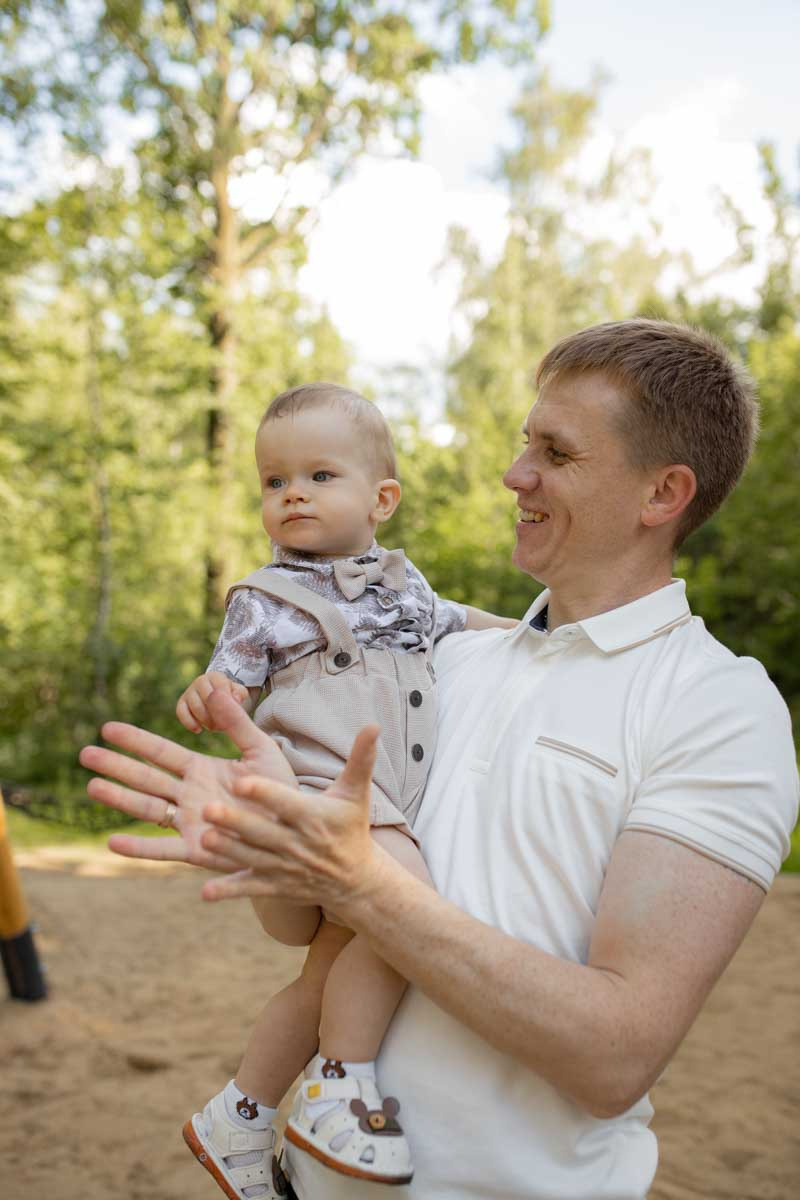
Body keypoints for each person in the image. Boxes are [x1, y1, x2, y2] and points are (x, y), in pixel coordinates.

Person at [81, 319, 799, 1200]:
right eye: (523, 442)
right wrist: (270, 828)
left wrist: (362, 884)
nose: (515, 473)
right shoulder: (433, 665)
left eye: (555, 452)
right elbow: (300, 929)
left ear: (663, 494)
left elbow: (616, 1055)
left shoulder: (717, 704)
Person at [173, 382, 516, 1197]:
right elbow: (231, 682)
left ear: (381, 498)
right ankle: (339, 1085)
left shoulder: (407, 588)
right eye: (274, 480)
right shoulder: (265, 598)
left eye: (320, 475)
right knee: (409, 910)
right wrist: (208, 697)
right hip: (323, 791)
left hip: (388, 799)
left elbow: (464, 621)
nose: (292, 492)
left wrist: (537, 634)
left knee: (329, 969)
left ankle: (240, 1113)